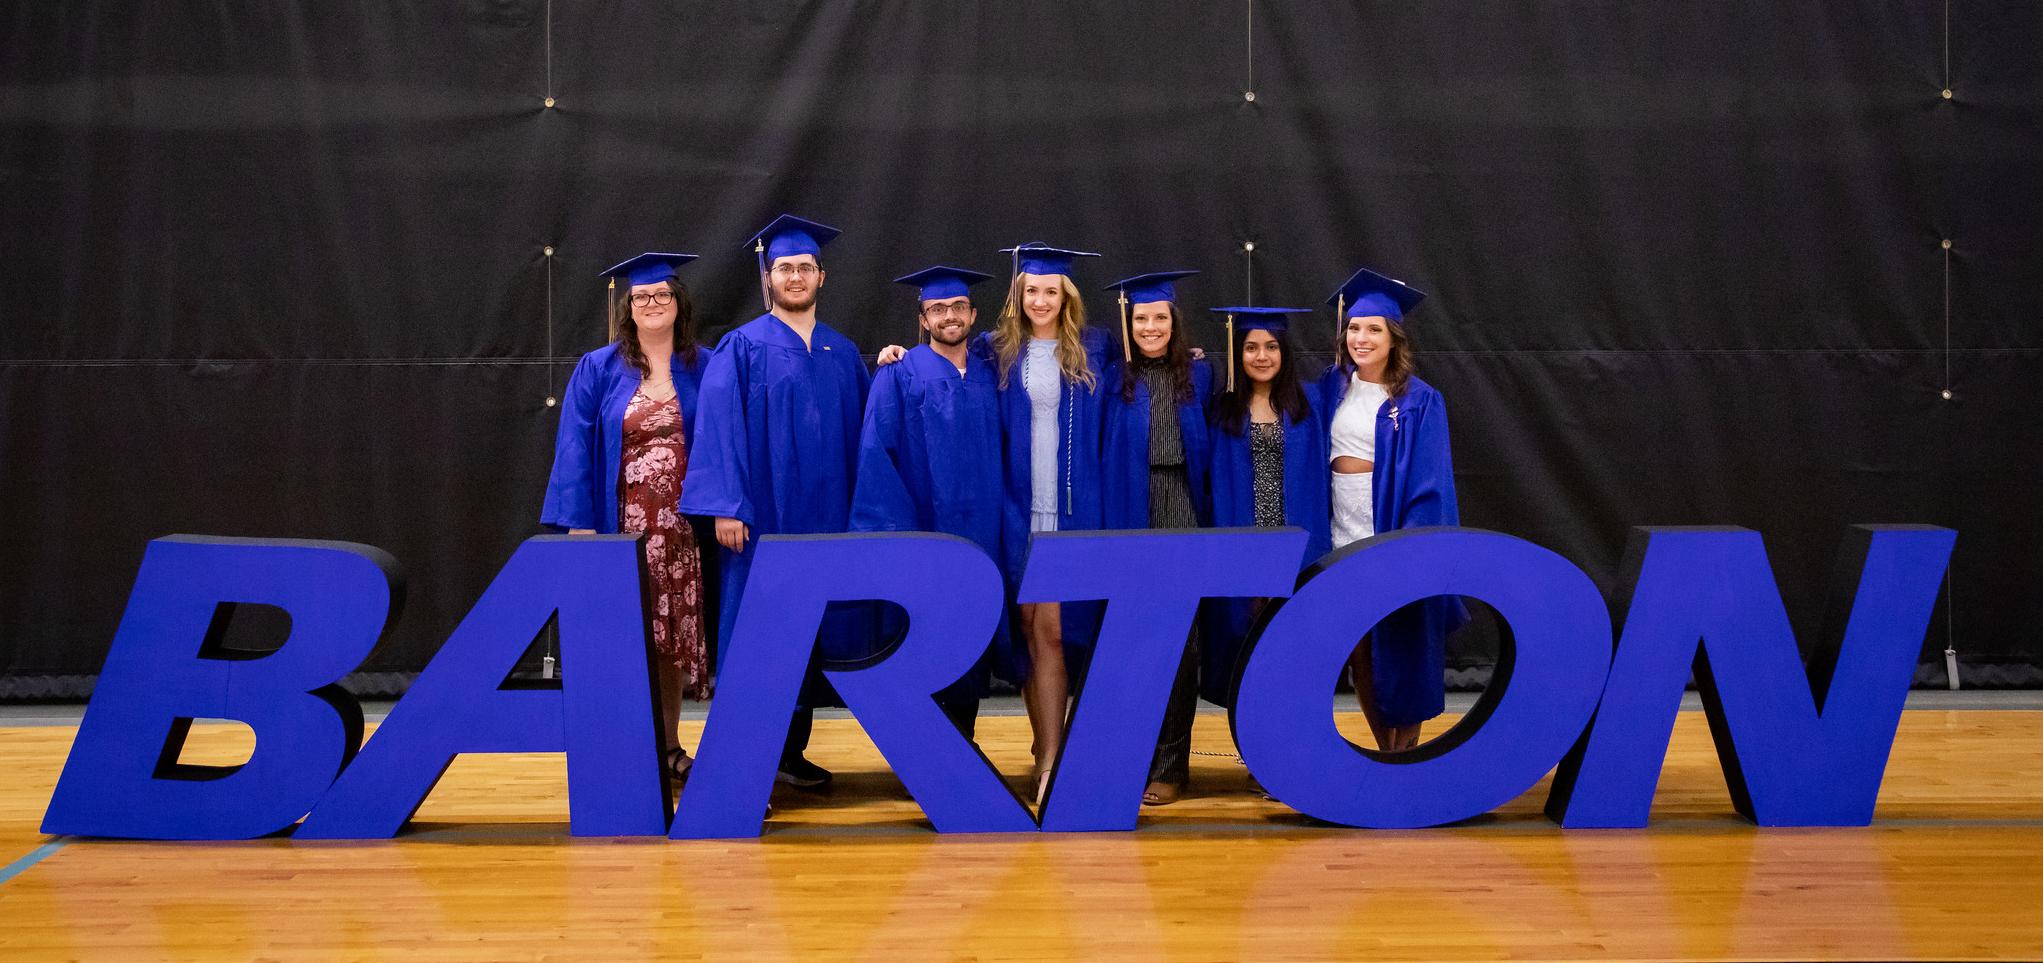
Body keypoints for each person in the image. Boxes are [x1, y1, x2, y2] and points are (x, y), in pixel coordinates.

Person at [679, 214, 871, 791]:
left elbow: (868, 432)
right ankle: (743, 764)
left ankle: (790, 753)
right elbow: (718, 429)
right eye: (784, 268)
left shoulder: (843, 351)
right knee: (757, 632)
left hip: (828, 519)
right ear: (768, 279)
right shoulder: (741, 347)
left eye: (804, 268)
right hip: (762, 519)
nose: (794, 277)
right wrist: (727, 505)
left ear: (822, 276)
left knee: (809, 632)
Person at [540, 252, 711, 784]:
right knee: (626, 638)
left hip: (684, 532)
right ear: (628, 308)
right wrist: (580, 523)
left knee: (670, 645)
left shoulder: (705, 365)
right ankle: (622, 750)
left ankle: (668, 747)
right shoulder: (599, 367)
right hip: (623, 527)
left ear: (678, 304)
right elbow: (573, 446)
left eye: (662, 295)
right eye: (642, 297)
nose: (652, 303)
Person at [1314, 267, 1465, 752]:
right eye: (1354, 328)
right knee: (1361, 649)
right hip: (1342, 532)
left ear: (1393, 338)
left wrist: (1411, 551)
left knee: (1402, 643)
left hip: (1392, 532)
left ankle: (1404, 757)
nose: (1361, 338)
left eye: (1373, 329)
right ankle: (1388, 753)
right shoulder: (1329, 389)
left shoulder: (1420, 401)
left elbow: (1431, 482)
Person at [850, 265, 1005, 738]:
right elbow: (877, 456)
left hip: (983, 534)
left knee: (972, 636)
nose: (949, 316)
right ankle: (926, 749)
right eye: (938, 309)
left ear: (974, 314)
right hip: (926, 531)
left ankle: (965, 744)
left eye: (958, 307)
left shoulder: (991, 372)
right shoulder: (899, 373)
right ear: (923, 319)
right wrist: (896, 537)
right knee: (926, 638)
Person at [991, 242, 1110, 805]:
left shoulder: (1094, 350)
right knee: (1031, 634)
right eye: (1031, 290)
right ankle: (1045, 751)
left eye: (1050, 291)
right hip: (1018, 511)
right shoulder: (998, 352)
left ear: (1067, 297)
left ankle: (1055, 757)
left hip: (1070, 512)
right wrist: (896, 353)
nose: (1040, 299)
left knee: (1057, 632)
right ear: (1018, 296)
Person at [1099, 271, 1214, 806]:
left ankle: (1171, 765)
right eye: (1141, 318)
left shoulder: (1202, 375)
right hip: (1129, 513)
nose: (1150, 327)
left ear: (1174, 322)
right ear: (1128, 323)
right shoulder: (1109, 380)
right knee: (1129, 641)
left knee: (1182, 645)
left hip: (1182, 514)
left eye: (1160, 318)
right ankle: (1124, 757)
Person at [1201, 306, 1330, 720]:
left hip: (1295, 544)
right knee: (1247, 644)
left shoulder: (1310, 402)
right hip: (1246, 545)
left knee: (1291, 644)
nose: (1261, 356)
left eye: (1271, 346)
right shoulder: (1222, 409)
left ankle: (1289, 740)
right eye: (1251, 347)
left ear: (1285, 352)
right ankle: (1254, 735)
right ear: (1238, 353)